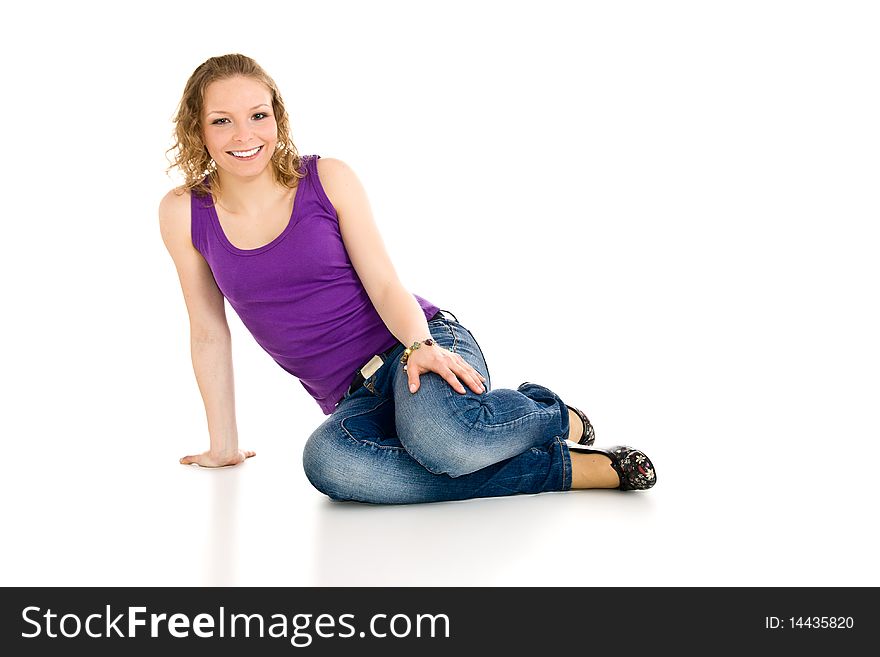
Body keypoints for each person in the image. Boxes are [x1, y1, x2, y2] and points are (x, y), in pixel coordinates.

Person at [159, 53, 657, 504]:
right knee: (331, 464)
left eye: (258, 116)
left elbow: (384, 285)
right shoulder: (184, 212)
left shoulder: (326, 178)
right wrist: (222, 443)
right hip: (354, 395)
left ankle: (553, 417)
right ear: (197, 130)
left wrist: (420, 347)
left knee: (448, 444)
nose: (244, 136)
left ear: (277, 118)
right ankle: (540, 454)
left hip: (415, 341)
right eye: (222, 121)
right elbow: (207, 329)